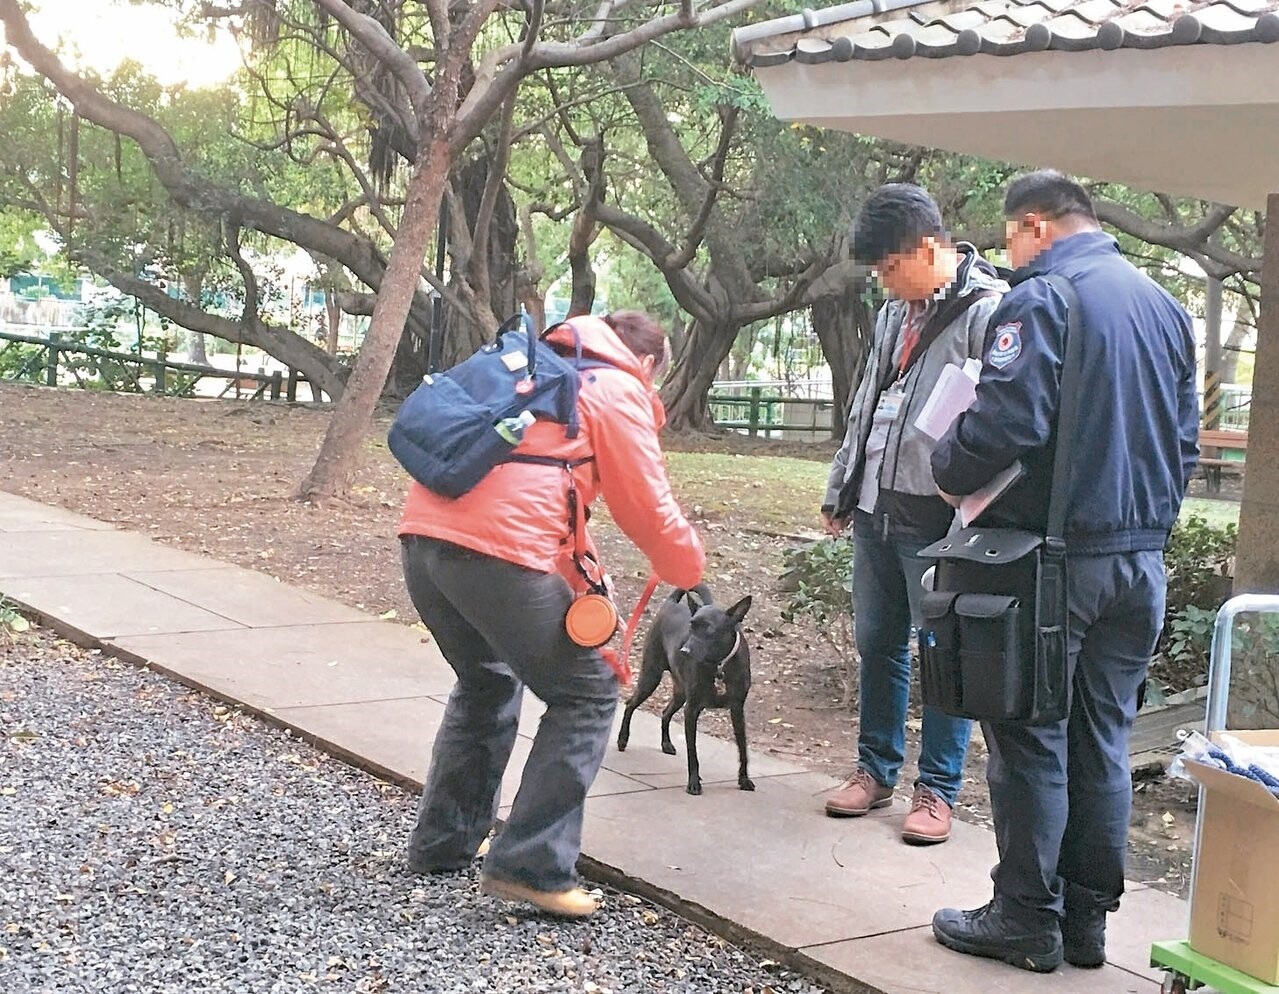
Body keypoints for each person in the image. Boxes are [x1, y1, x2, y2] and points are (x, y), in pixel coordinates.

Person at [929, 171, 1199, 972]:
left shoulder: (1045, 298)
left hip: (1054, 564)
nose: (1010, 256)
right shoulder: (1163, 307)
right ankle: (1085, 926)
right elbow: (1183, 445)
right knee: (1102, 739)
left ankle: (1022, 917)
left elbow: (1008, 419)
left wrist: (948, 459)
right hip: (1138, 561)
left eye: (1011, 239)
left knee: (1029, 738)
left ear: (1035, 226)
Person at [398, 310, 704, 918]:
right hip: (496, 553)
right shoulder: (615, 386)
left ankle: (444, 843)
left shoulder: (539, 365)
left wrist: (586, 584)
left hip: (423, 541)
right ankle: (532, 864)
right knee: (587, 694)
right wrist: (689, 567)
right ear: (648, 363)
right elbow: (647, 506)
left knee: (486, 680)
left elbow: (548, 496)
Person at [822, 184, 1007, 844]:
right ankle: (874, 771)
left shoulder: (988, 313)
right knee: (877, 642)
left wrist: (974, 513)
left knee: (942, 653)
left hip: (939, 517)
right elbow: (865, 403)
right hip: (876, 506)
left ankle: (937, 791)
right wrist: (842, 487)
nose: (883, 279)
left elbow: (1001, 423)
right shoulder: (891, 314)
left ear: (928, 248)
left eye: (888, 266)